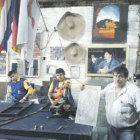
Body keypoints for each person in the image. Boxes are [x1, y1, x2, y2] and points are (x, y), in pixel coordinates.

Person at [101, 66, 140, 140]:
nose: (117, 79)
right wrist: (85, 89)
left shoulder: (134, 90)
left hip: (128, 131)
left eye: (120, 76)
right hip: (112, 129)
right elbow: (98, 95)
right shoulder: (109, 87)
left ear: (126, 78)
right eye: (115, 76)